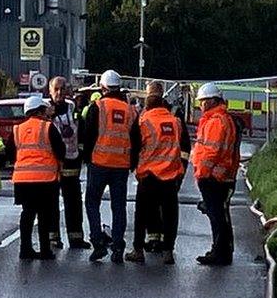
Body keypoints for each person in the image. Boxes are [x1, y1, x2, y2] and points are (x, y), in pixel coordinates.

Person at [125, 81, 191, 265]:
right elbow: (184, 147)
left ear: (148, 101)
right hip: (170, 176)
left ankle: (138, 250)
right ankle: (168, 251)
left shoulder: (143, 121)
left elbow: (134, 147)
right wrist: (181, 171)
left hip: (148, 176)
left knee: (141, 215)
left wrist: (132, 168)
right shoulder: (175, 122)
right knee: (170, 215)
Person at [81, 69, 139, 264]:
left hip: (98, 163)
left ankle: (98, 242)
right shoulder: (131, 110)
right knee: (118, 207)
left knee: (91, 203)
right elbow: (136, 140)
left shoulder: (97, 107)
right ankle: (117, 247)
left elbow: (87, 136)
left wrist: (87, 159)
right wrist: (131, 163)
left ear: (103, 87)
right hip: (121, 166)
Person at [192, 82, 240, 266]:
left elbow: (212, 151)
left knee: (217, 216)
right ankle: (222, 250)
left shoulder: (216, 121)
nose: (201, 105)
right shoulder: (220, 119)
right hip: (219, 176)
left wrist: (202, 173)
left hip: (214, 177)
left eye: (203, 101)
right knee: (220, 215)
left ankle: (220, 252)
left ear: (212, 101)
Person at [13, 95, 65, 260]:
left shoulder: (17, 129)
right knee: (44, 215)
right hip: (45, 179)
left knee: (27, 213)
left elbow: (9, 152)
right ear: (41, 110)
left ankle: (25, 249)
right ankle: (45, 250)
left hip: (22, 180)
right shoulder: (48, 127)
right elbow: (60, 150)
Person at [47, 76, 91, 250]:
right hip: (52, 163)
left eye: (62, 89)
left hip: (72, 161)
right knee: (51, 203)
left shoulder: (74, 108)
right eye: (56, 89)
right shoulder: (45, 110)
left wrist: (81, 154)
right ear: (50, 91)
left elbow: (81, 132)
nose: (59, 92)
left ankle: (76, 238)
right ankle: (53, 237)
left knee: (73, 202)